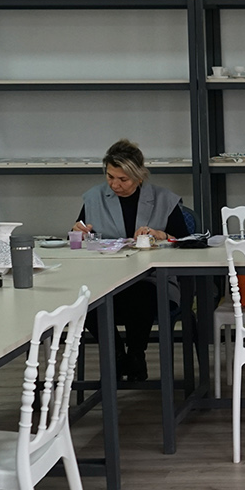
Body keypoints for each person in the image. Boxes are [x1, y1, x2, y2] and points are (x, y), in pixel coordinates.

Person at [76, 140, 192, 381]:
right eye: (110, 177)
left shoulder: (163, 199)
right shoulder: (94, 198)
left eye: (123, 179)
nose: (115, 185)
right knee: (87, 301)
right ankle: (118, 355)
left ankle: (136, 354)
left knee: (139, 295)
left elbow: (186, 243)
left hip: (153, 281)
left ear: (139, 176)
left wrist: (162, 235)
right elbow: (80, 239)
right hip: (106, 280)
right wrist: (78, 234)